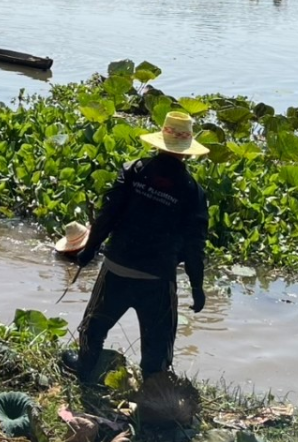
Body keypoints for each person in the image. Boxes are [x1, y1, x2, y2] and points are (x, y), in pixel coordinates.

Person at [63, 111, 209, 383]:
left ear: (159, 143)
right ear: (187, 152)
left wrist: (90, 250)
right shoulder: (192, 192)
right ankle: (152, 390)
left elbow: (108, 216)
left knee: (93, 328)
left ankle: (84, 369)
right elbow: (194, 246)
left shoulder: (132, 171)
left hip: (117, 268)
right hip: (157, 279)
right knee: (158, 347)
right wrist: (197, 286)